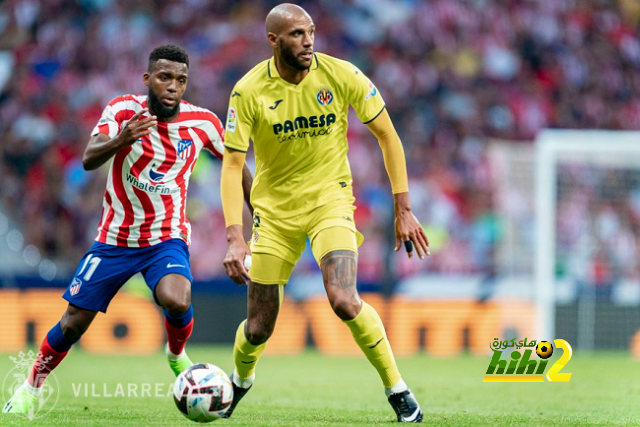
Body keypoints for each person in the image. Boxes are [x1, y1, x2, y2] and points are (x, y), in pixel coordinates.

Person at [3, 45, 253, 415]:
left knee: (177, 299)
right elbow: (89, 158)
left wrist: (256, 209)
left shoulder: (202, 122)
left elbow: (235, 164)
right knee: (72, 324)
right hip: (114, 240)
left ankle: (176, 354)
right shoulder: (122, 110)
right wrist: (123, 139)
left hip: (166, 238)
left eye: (181, 80)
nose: (173, 86)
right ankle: (30, 388)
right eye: (165, 77)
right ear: (147, 78)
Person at [220, 4, 429, 423]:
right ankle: (240, 381)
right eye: (297, 34)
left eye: (311, 31)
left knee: (344, 300)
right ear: (274, 41)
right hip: (273, 216)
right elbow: (230, 165)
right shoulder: (248, 91)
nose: (308, 40)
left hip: (330, 204)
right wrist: (234, 236)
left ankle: (397, 388)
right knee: (259, 327)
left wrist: (402, 207)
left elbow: (388, 135)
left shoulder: (341, 74)